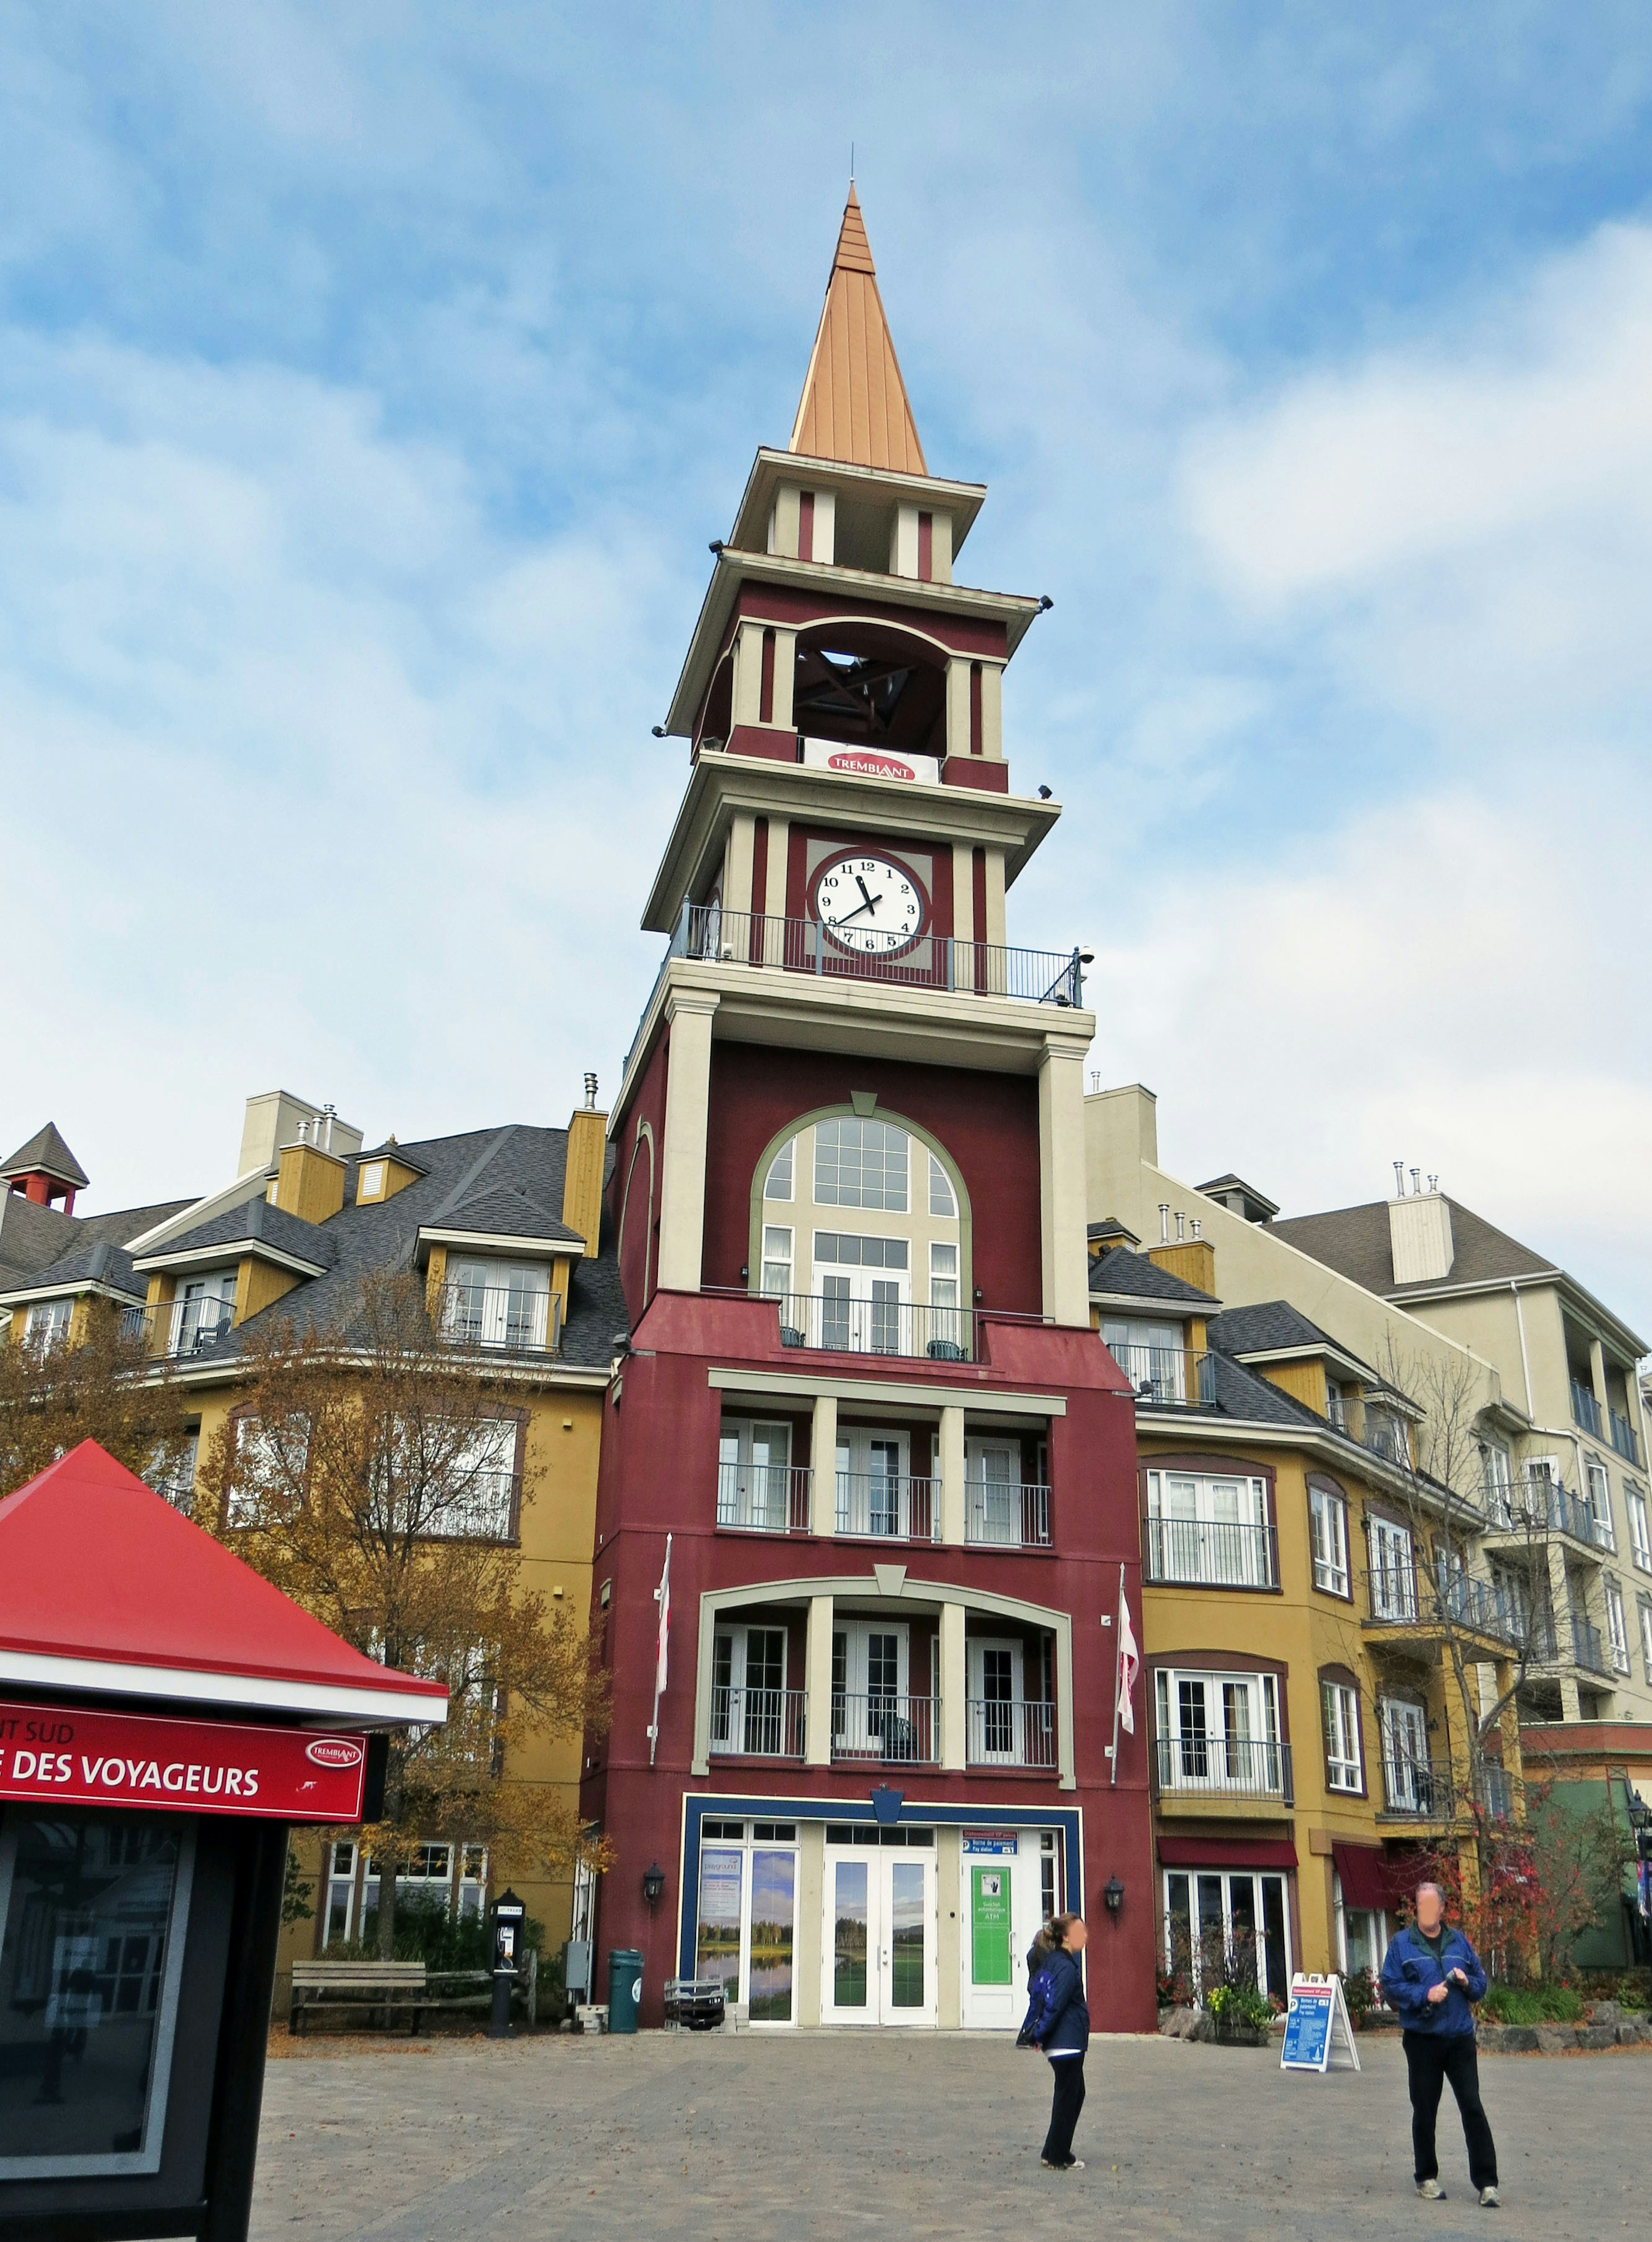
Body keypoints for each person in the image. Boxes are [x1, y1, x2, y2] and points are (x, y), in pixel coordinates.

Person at [1380, 1881, 1500, 2209]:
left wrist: (1465, 1981)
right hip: (1422, 2040)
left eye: (1433, 1905)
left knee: (1472, 2106)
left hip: (1459, 2038)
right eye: (1422, 1905)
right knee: (1425, 2108)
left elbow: (1480, 1985)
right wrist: (1424, 1994)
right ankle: (1426, 2176)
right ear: (1416, 1909)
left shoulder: (1458, 1941)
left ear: (1443, 1909)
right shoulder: (1401, 1944)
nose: (1428, 1911)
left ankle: (1488, 2182)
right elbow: (1390, 1984)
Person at [1028, 1913, 1089, 2172]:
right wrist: (1039, 2034)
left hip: (1065, 2040)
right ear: (1067, 1937)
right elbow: (1055, 2004)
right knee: (1068, 2096)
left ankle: (1053, 2149)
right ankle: (1058, 2155)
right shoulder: (1064, 1966)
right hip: (1067, 2041)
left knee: (1074, 2094)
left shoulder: (1057, 1962)